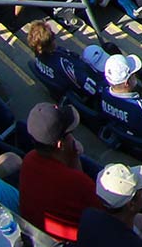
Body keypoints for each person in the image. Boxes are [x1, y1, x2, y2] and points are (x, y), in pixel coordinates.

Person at [20, 102, 101, 242]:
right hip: (79, 242)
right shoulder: (76, 182)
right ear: (60, 144)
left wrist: (74, 155)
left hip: (41, 238)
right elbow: (107, 217)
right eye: (69, 133)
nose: (73, 137)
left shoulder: (28, 160)